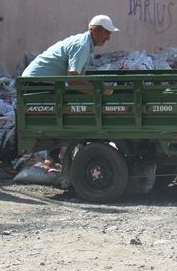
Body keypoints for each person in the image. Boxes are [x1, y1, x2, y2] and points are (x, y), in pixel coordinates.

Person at [21, 14, 119, 164]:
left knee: (60, 115)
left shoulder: (86, 44)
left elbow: (76, 79)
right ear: (95, 30)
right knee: (57, 116)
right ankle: (14, 158)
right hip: (36, 81)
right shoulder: (82, 45)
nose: (108, 38)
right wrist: (100, 92)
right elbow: (73, 80)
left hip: (46, 81)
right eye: (107, 33)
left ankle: (51, 158)